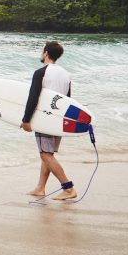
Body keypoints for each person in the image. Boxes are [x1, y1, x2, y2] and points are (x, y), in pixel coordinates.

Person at [21, 41, 77, 200]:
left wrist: (26, 120)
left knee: (46, 155)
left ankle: (68, 188)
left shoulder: (41, 72)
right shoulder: (66, 74)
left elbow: (33, 97)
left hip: (44, 119)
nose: (41, 53)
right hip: (58, 120)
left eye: (42, 51)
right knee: (48, 154)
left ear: (46, 53)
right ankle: (40, 188)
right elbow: (68, 101)